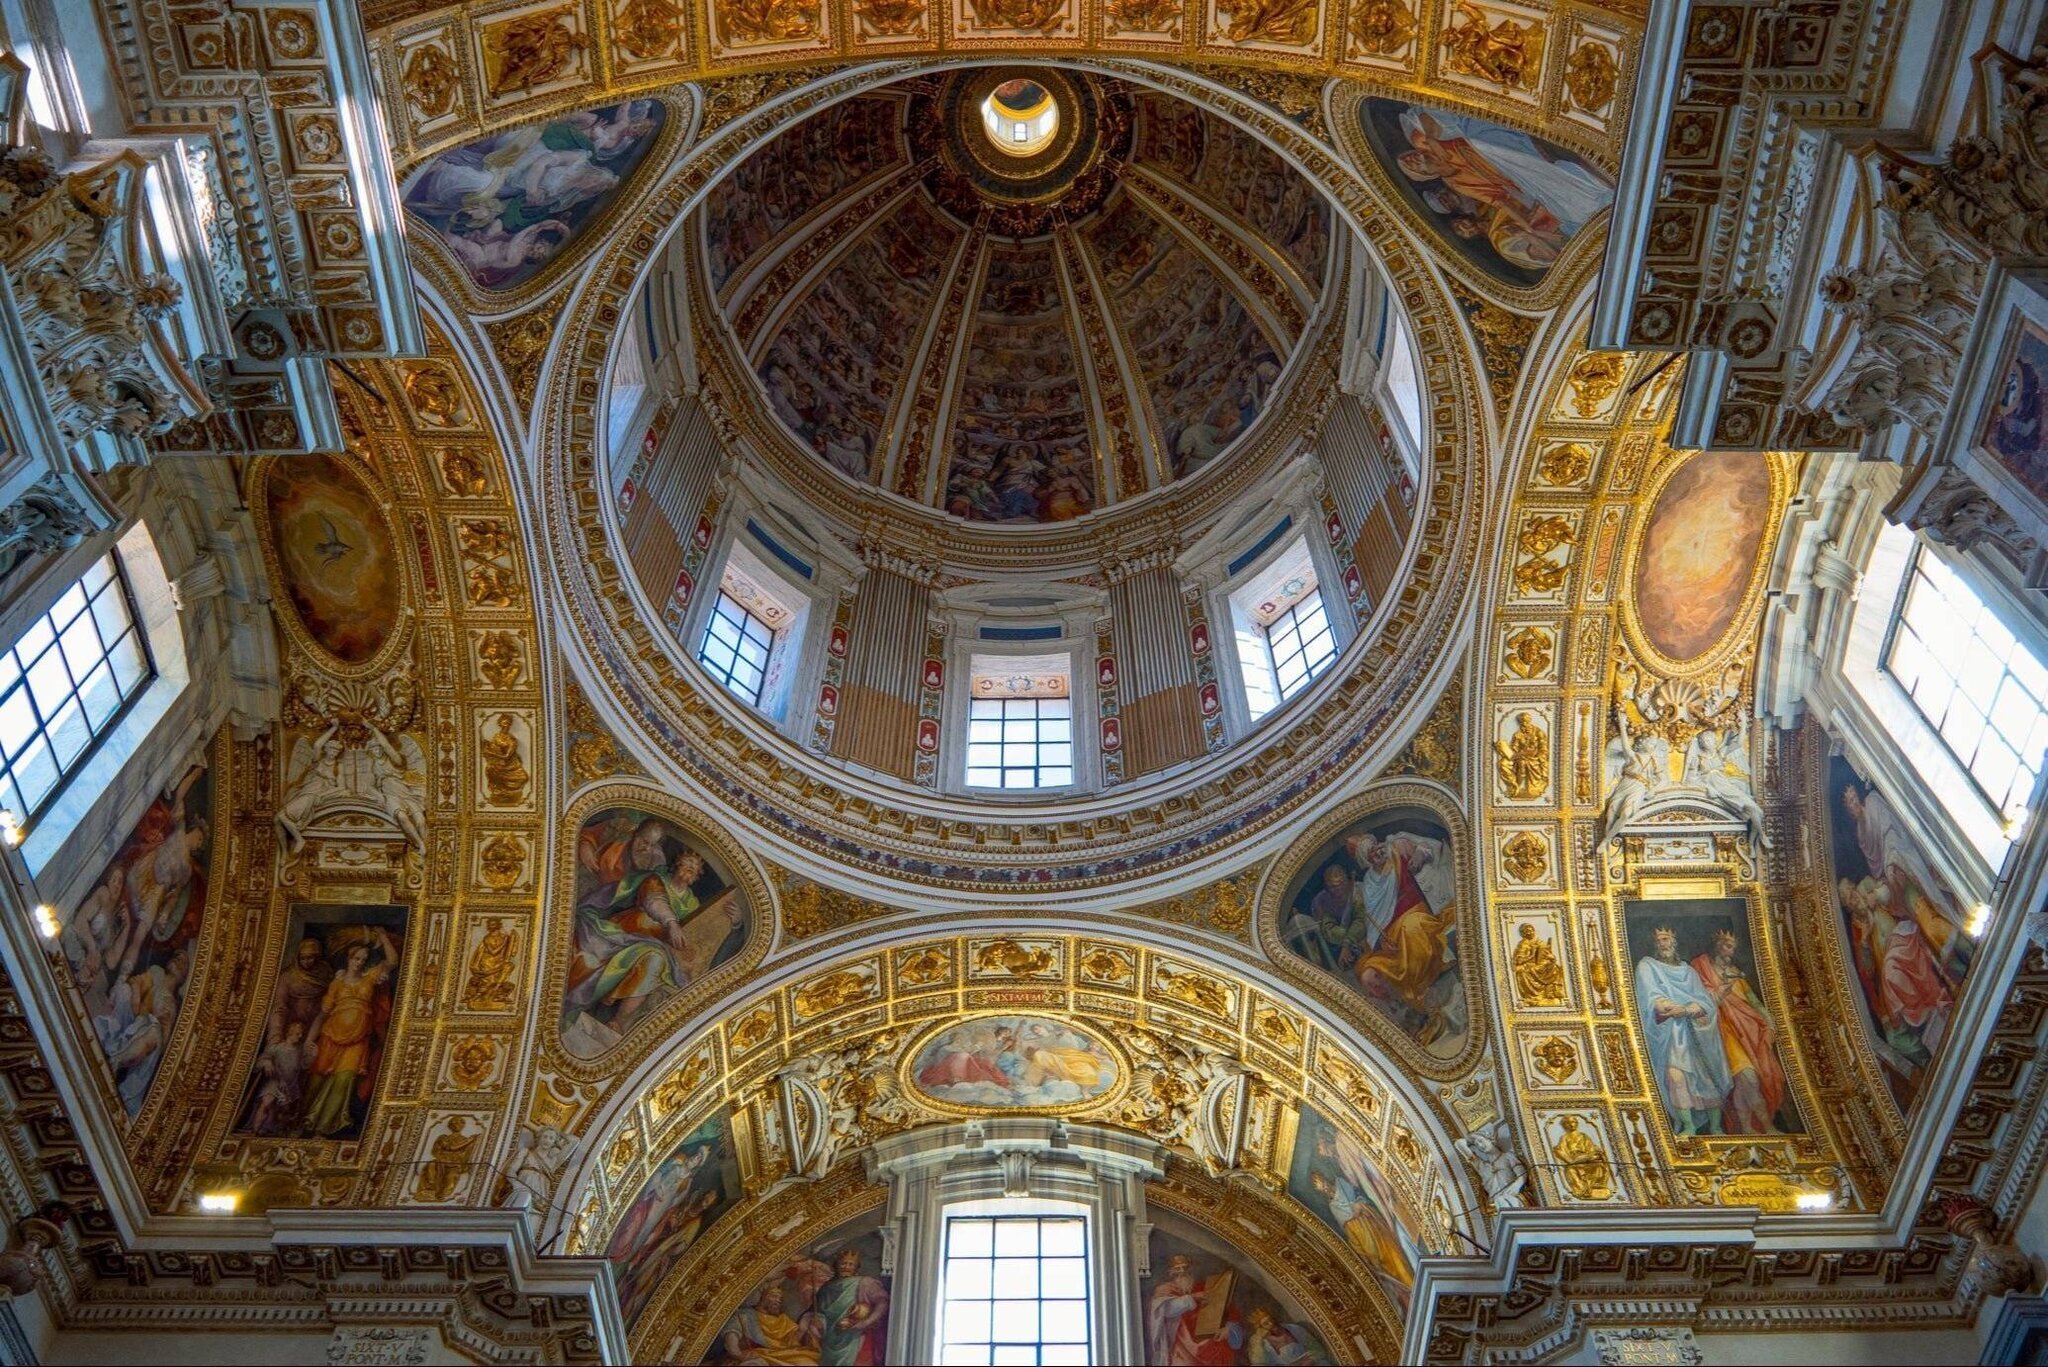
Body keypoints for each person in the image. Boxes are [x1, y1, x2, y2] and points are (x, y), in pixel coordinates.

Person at [1691, 928, 1791, 1133]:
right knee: (1748, 1077)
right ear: (1717, 945)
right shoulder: (1700, 968)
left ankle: (1747, 1128)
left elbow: (1754, 1002)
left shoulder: (1737, 974)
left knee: (1745, 1082)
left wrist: (1770, 1023)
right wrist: (1718, 992)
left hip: (1748, 1032)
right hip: (1722, 1032)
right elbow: (1694, 998)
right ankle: (1768, 1127)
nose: (1730, 950)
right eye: (1727, 945)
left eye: (1733, 947)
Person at [301, 927, 399, 1137]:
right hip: (330, 1036)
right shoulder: (336, 984)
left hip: (357, 1040)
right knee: (316, 1082)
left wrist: (383, 937)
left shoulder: (369, 979)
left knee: (344, 1081)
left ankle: (323, 1129)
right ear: (349, 958)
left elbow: (391, 962)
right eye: (357, 958)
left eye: (364, 959)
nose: (360, 962)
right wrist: (309, 1041)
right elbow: (323, 1014)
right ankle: (303, 1123)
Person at [1634, 926, 1731, 1135]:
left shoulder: (1688, 971)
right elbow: (1650, 997)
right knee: (1676, 1078)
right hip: (1670, 1035)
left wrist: (1686, 1009)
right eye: (1658, 940)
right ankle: (1688, 1126)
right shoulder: (1647, 966)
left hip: (1696, 1035)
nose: (1663, 943)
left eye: (1666, 938)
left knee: (1706, 1078)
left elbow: (1705, 1002)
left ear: (1673, 941)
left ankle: (1715, 1127)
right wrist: (1669, 1007)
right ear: (1654, 944)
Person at [814, 1246, 888, 1366]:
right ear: (837, 1266)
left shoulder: (865, 1283)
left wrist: (866, 1322)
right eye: (843, 1264)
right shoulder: (826, 1289)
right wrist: (817, 1322)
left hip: (856, 1337)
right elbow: (820, 1312)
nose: (846, 1267)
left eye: (850, 1264)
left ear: (856, 1267)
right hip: (830, 1339)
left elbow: (883, 1302)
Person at [716, 1282, 820, 1365]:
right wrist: (737, 1353)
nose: (778, 1300)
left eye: (780, 1298)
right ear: (762, 1298)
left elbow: (792, 1342)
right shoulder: (747, 1315)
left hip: (784, 1354)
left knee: (808, 1363)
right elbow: (731, 1333)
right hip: (758, 1355)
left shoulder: (783, 1319)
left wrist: (802, 1328)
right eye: (774, 1296)